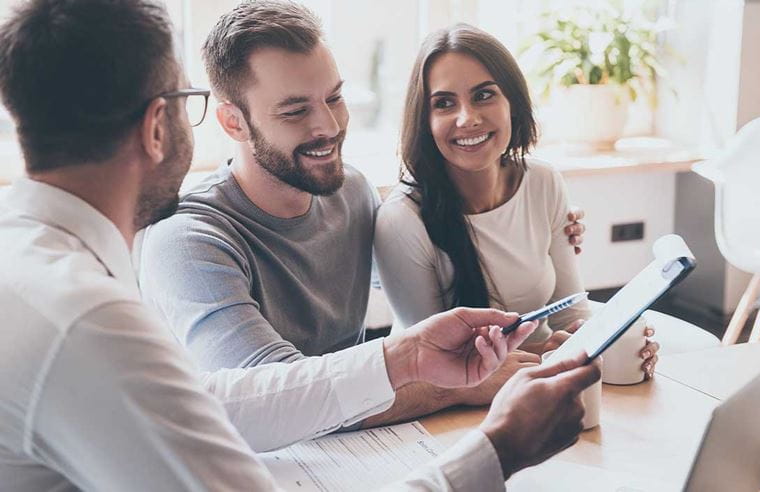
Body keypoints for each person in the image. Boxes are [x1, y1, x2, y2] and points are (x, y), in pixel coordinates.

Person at [0, 0, 601, 490]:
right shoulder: (90, 318)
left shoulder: (31, 265)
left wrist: (409, 354)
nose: (329, 127)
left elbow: (230, 399)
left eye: (335, 98)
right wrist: (496, 449)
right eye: (192, 105)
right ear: (162, 125)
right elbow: (251, 399)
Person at [138, 0, 586, 426]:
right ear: (234, 122)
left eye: (333, 98)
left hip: (362, 447)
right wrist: (457, 387)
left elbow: (416, 261)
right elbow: (273, 400)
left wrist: (539, 227)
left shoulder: (349, 191)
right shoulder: (188, 241)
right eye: (295, 111)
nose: (329, 128)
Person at [374, 24, 659, 376]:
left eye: (483, 95)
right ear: (424, 120)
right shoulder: (401, 220)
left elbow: (570, 312)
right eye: (444, 103)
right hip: (446, 402)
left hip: (540, 380)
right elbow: (438, 365)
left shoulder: (542, 182)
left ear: (512, 102)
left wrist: (609, 342)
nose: (467, 118)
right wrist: (549, 353)